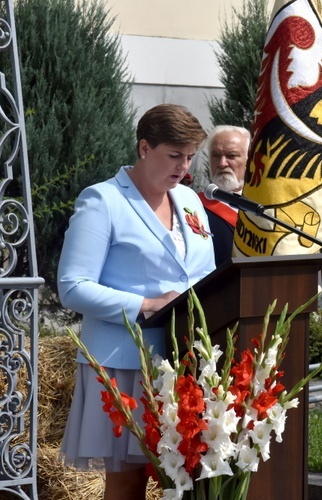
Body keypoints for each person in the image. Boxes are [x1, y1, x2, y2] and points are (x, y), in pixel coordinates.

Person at [57, 104, 215, 500]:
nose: (184, 166)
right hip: (125, 363)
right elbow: (72, 286)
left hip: (187, 361)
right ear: (144, 147)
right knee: (129, 482)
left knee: (188, 478)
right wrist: (147, 303)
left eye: (191, 156)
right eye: (174, 155)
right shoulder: (103, 200)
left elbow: (205, 274)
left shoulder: (192, 202)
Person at [198, 125, 251, 266]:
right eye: (216, 155)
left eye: (231, 155)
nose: (222, 163)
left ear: (249, 159)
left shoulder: (267, 206)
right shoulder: (194, 205)